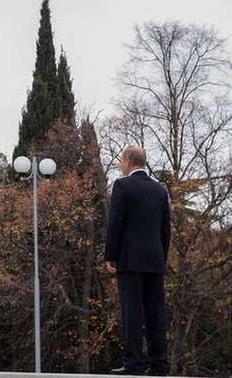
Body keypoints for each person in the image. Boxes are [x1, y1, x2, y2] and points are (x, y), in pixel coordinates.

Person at [105, 145, 171, 376]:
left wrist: (110, 256)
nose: (120, 165)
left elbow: (115, 224)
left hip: (130, 260)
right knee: (156, 315)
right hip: (155, 261)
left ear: (129, 161)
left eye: (121, 161)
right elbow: (165, 230)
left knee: (132, 314)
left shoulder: (122, 186)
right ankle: (159, 364)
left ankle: (134, 363)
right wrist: (161, 259)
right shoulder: (160, 191)